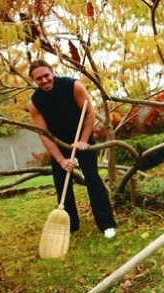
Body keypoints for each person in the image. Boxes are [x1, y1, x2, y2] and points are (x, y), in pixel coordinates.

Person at [29, 59, 117, 239]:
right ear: (34, 81)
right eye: (39, 79)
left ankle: (107, 224)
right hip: (59, 145)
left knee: (92, 179)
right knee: (62, 185)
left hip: (82, 138)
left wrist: (83, 141)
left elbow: (89, 113)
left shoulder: (73, 86)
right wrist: (61, 160)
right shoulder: (35, 103)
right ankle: (71, 226)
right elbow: (44, 134)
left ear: (52, 72)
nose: (44, 80)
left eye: (46, 75)